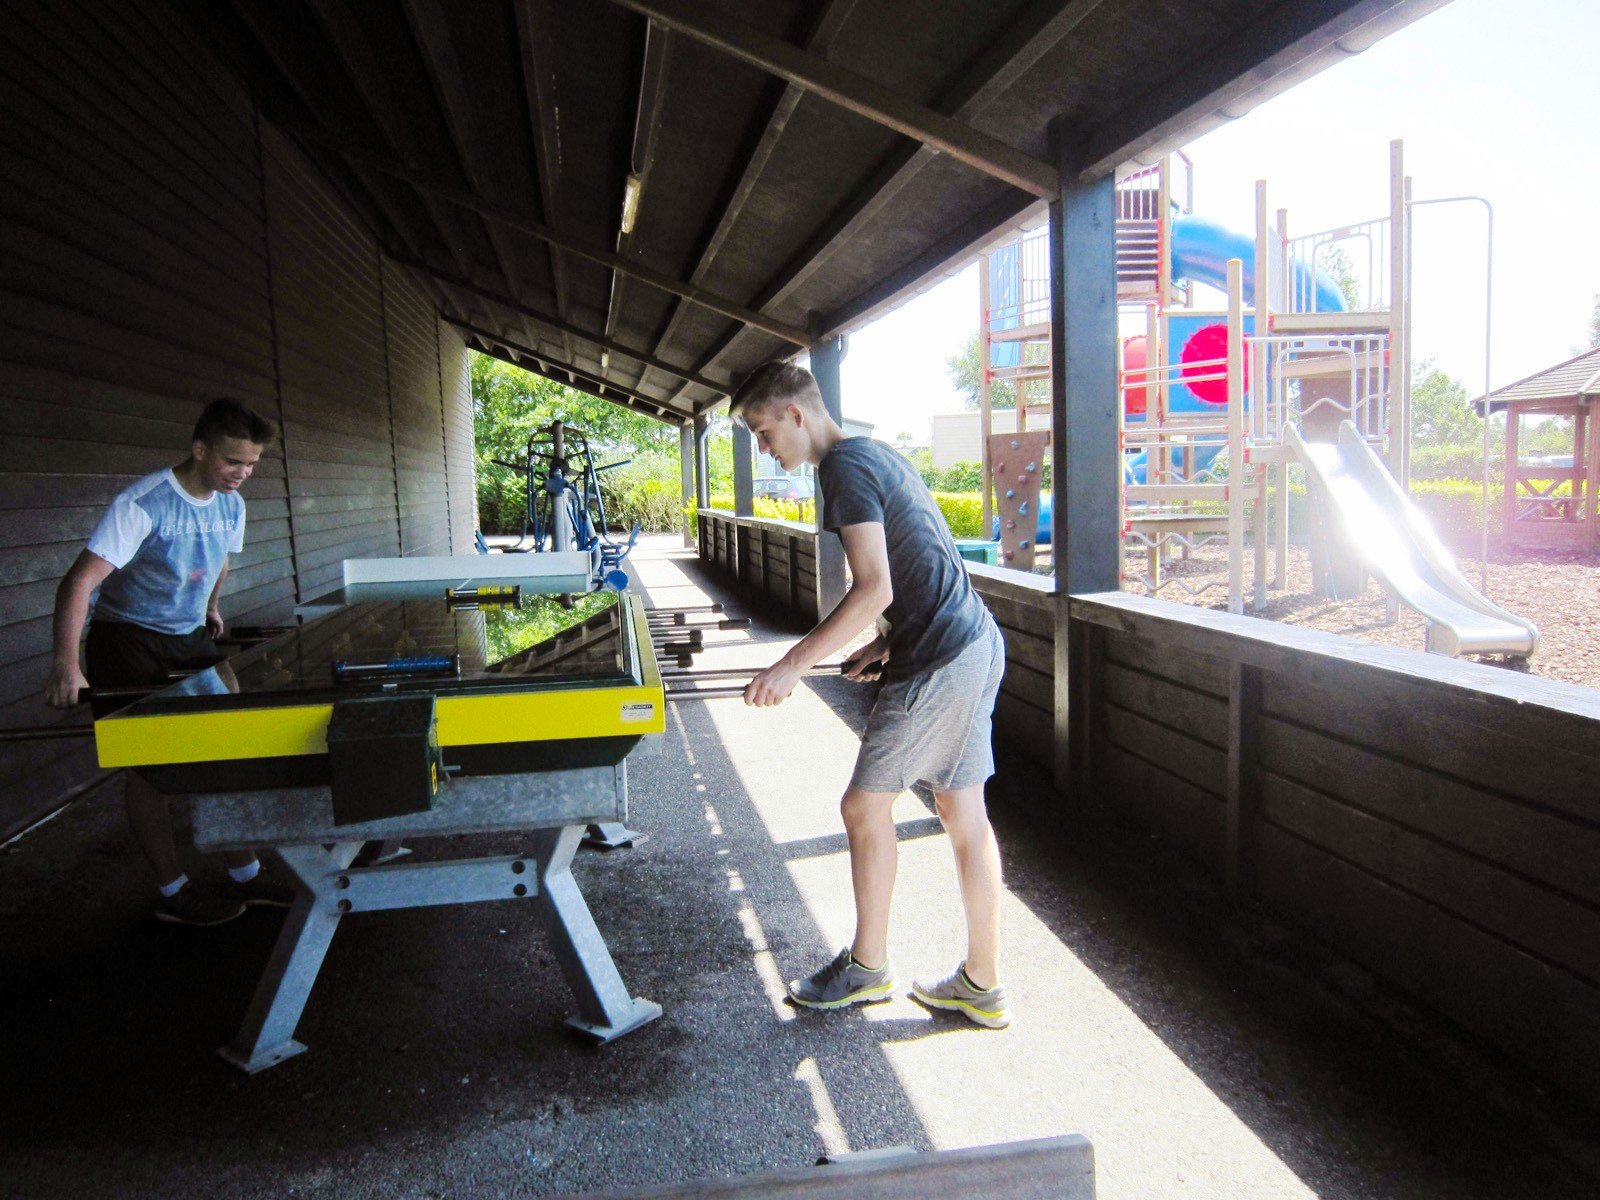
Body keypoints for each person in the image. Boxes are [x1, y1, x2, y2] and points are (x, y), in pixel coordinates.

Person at [734, 362, 1011, 1029]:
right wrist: (886, 643)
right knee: (961, 813)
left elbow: (874, 589)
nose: (766, 449)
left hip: (943, 658)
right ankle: (982, 983)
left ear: (796, 415)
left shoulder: (843, 471)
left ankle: (867, 968)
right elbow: (928, 559)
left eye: (765, 432)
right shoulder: (873, 452)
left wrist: (792, 665)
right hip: (972, 639)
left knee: (864, 808)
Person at [44, 398, 293, 926]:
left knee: (225, 748)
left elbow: (221, 557)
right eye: (232, 461)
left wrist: (211, 607)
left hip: (186, 636)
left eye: (251, 464)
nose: (242, 474)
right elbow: (79, 582)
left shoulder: (232, 504)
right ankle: (171, 889)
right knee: (152, 770)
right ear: (199, 449)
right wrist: (66, 665)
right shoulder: (144, 503)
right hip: (127, 641)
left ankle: (246, 874)